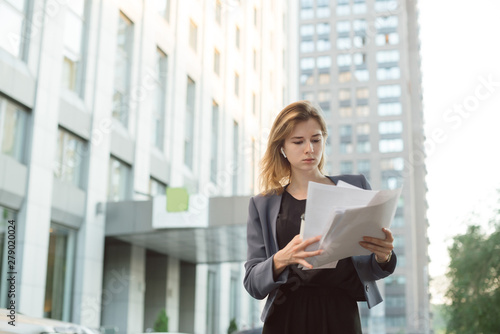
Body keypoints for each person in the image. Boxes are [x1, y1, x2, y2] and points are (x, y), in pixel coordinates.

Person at [243, 101, 397, 333]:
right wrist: (281, 259)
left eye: (316, 140)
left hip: (340, 315)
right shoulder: (262, 204)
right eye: (298, 141)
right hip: (284, 317)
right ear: (282, 147)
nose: (309, 149)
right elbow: (253, 283)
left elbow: (369, 268)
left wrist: (384, 257)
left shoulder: (355, 187)